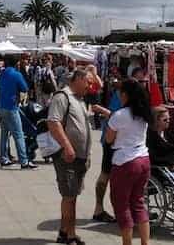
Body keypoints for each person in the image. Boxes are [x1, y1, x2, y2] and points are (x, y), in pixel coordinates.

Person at [95, 78, 151, 245]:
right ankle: (145, 242)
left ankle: (127, 242)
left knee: (122, 205)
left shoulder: (120, 115)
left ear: (125, 94)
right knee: (138, 203)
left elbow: (109, 139)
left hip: (125, 162)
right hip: (143, 159)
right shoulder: (143, 113)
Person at [48, 69, 91, 245]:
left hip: (79, 157)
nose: (90, 85)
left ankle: (64, 232)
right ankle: (70, 235)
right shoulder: (62, 96)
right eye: (87, 81)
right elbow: (53, 122)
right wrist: (67, 146)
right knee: (69, 196)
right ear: (78, 79)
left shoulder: (78, 99)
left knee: (72, 195)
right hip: (68, 157)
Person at [90, 75, 120, 224]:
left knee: (110, 176)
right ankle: (99, 209)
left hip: (119, 142)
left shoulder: (122, 94)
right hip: (112, 141)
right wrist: (104, 111)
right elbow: (114, 117)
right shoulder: (119, 95)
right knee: (107, 175)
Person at [0, 56, 37, 170]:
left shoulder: (3, 73)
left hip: (1, 106)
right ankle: (24, 161)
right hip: (11, 107)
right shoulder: (17, 74)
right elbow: (24, 88)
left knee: (4, 134)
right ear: (16, 64)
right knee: (18, 134)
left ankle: (4, 158)